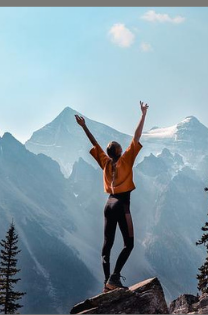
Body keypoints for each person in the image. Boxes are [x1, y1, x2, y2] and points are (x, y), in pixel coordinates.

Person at [75, 101, 149, 292]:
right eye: (119, 146)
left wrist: (84, 127)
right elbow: (137, 135)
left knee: (107, 244)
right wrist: (143, 115)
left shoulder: (105, 163)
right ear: (118, 151)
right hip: (122, 205)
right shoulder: (126, 160)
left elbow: (94, 143)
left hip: (108, 205)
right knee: (129, 244)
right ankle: (114, 277)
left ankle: (106, 283)